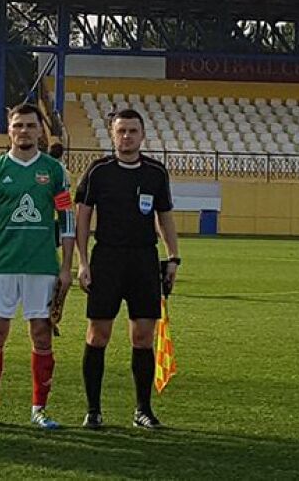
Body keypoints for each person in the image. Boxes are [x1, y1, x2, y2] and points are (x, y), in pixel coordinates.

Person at [0, 103, 75, 430]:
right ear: (9, 130)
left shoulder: (55, 171)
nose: (24, 131)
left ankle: (39, 409)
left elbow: (67, 220)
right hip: (1, 265)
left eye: (30, 125)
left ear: (40, 131)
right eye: (18, 125)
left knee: (42, 335)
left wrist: (66, 267)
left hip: (42, 267)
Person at [75, 108, 180, 430]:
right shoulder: (98, 171)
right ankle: (93, 410)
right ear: (112, 134)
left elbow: (164, 217)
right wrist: (82, 261)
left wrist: (173, 257)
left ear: (142, 135)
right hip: (107, 258)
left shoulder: (155, 172)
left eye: (133, 131)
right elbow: (82, 217)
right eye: (121, 131)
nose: (127, 136)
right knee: (98, 334)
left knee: (143, 336)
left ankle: (142, 409)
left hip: (144, 260)